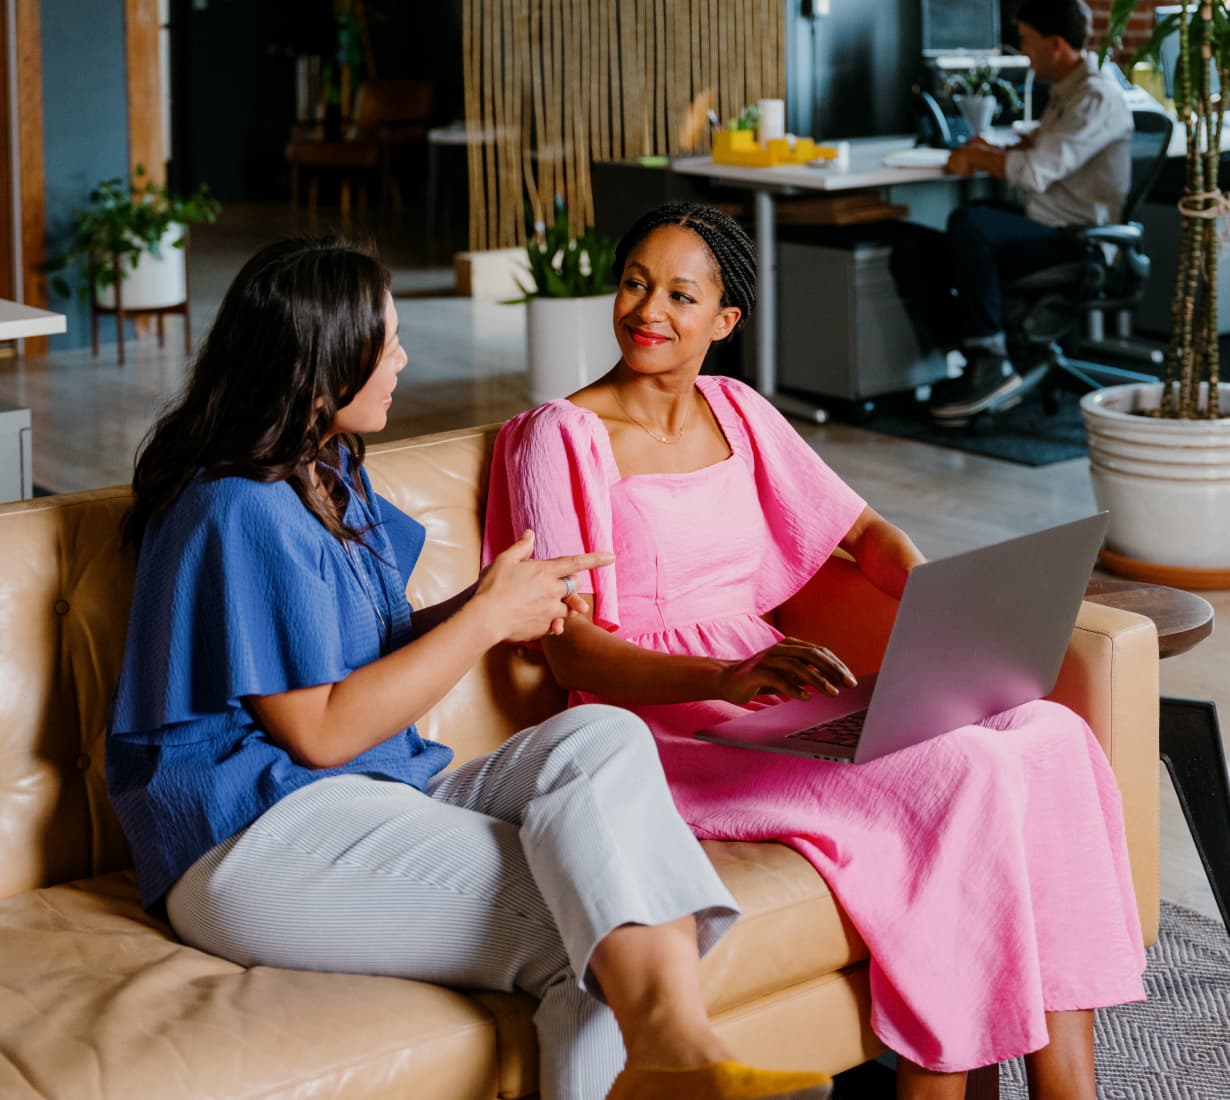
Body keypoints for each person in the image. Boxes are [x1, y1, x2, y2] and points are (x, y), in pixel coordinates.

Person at [104, 236, 837, 1100]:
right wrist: (486, 621)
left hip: (369, 792)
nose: (404, 358)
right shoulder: (234, 505)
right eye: (387, 341)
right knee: (591, 918)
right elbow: (321, 729)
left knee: (599, 736)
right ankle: (676, 1054)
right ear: (319, 369)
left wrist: (483, 603)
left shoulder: (325, 470)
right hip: (248, 840)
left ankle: (672, 1056)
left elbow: (345, 656)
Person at [483, 202, 1147, 1100]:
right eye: (637, 283)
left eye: (681, 294)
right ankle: (939, 1081)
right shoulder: (556, 437)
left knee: (1050, 735)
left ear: (725, 322)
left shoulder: (737, 411)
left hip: (772, 697)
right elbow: (573, 656)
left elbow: (865, 532)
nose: (649, 310)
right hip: (662, 733)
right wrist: (729, 676)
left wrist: (937, 616)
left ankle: (1070, 1082)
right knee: (961, 767)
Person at [892, 0, 1132, 424]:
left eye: (1026, 41)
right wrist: (990, 149)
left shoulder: (1095, 98)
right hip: (1048, 229)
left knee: (972, 224)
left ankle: (990, 359)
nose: (1023, 52)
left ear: (1055, 45)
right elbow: (1040, 148)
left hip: (1078, 241)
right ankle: (971, 358)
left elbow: (1036, 172)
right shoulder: (1068, 92)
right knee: (911, 245)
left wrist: (977, 159)